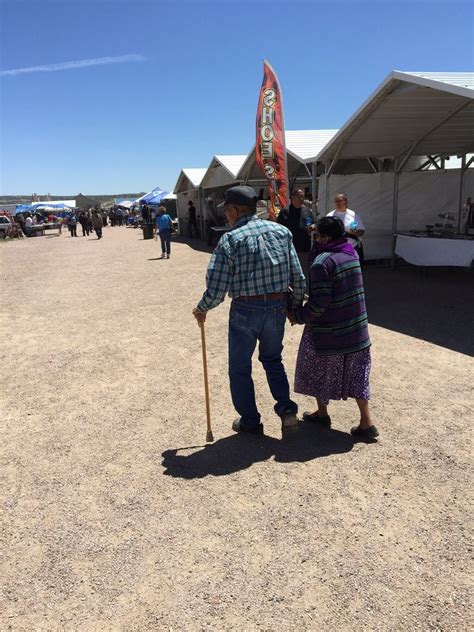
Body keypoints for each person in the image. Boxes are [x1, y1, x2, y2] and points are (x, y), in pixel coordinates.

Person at [193, 185, 306, 436]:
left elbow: (217, 286)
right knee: (272, 359)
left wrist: (202, 308)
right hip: (276, 307)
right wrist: (294, 307)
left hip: (246, 308)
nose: (226, 215)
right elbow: (298, 277)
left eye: (227, 210)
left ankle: (250, 420)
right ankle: (286, 410)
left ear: (234, 210)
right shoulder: (281, 232)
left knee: (240, 366)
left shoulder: (231, 239)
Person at [290, 216, 379, 441]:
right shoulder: (351, 253)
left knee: (316, 368)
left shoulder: (322, 262)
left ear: (325, 237)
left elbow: (319, 303)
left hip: (330, 331)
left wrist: (298, 316)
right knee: (359, 375)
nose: (315, 239)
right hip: (357, 329)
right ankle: (366, 422)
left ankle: (322, 413)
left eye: (317, 235)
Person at [277, 188, 315, 288]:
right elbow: (279, 230)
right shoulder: (285, 211)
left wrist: (313, 227)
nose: (302, 198)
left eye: (303, 196)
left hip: (304, 248)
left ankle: (305, 291)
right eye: (300, 196)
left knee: (304, 271)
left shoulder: (307, 210)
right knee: (291, 273)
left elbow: (313, 223)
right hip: (290, 249)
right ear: (293, 198)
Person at [326, 193, 365, 264]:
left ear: (346, 201)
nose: (338, 203)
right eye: (336, 201)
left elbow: (362, 231)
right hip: (336, 250)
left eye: (340, 201)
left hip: (352, 248)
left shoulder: (353, 215)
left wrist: (354, 232)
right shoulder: (330, 216)